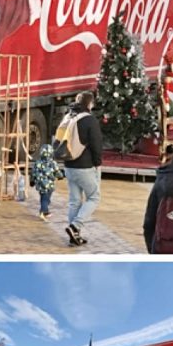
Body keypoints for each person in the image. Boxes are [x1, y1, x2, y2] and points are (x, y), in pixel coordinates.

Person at [62, 92, 102, 247]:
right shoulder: (90, 120)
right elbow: (96, 144)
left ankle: (74, 235)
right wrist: (98, 163)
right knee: (94, 197)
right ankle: (75, 226)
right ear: (90, 104)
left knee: (74, 201)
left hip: (69, 164)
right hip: (84, 167)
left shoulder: (68, 116)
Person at [28, 143, 64, 221]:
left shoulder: (37, 163)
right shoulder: (52, 163)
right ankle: (44, 212)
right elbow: (57, 172)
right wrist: (61, 176)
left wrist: (32, 181)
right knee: (46, 199)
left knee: (43, 197)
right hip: (49, 185)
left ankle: (44, 210)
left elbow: (33, 173)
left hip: (40, 185)